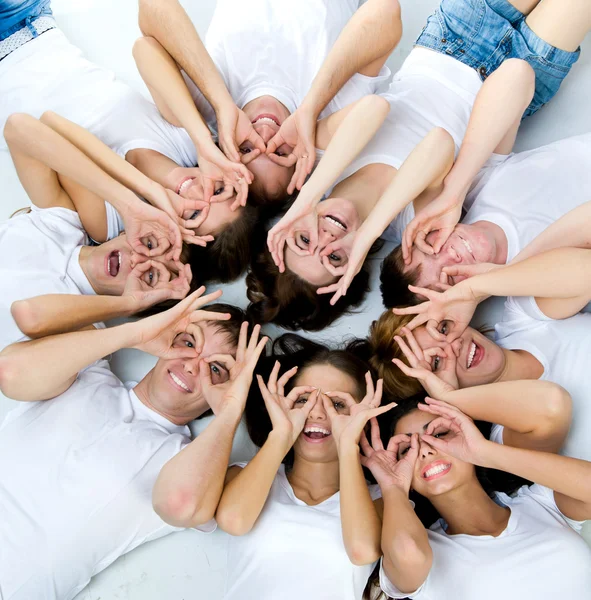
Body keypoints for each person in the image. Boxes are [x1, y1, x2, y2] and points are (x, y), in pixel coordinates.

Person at [256, 0, 588, 327]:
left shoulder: (324, 164)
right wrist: (368, 232)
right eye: (334, 257)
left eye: (304, 241)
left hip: (456, 36)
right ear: (355, 264)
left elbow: (373, 109)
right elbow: (438, 144)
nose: (325, 238)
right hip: (519, 78)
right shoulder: (412, 228)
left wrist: (305, 200)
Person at [0, 287, 261, 600]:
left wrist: (230, 412)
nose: (192, 364)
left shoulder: (188, 462)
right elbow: (12, 364)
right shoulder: (87, 369)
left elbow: (182, 504)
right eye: (188, 342)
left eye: (216, 369)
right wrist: (133, 329)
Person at [0, 1, 252, 259]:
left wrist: (149, 189)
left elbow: (52, 123)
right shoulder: (185, 144)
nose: (199, 190)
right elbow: (145, 49)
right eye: (218, 190)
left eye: (195, 213)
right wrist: (202, 141)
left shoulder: (109, 219)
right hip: (34, 19)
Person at [152, 334, 396, 600]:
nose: (317, 413)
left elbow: (362, 550)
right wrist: (281, 433)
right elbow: (234, 521)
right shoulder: (247, 474)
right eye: (303, 399)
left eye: (338, 404)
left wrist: (349, 444)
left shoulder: (383, 498)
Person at [0, 113, 199, 350]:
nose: (136, 259)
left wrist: (130, 303)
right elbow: (18, 128)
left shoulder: (86, 330)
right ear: (127, 232)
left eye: (150, 276)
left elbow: (30, 316)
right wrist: (129, 205)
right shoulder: (60, 223)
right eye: (148, 244)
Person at [372, 245, 591, 461]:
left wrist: (472, 291)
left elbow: (586, 269)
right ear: (432, 388)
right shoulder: (504, 435)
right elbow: (552, 404)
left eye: (443, 329)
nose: (454, 346)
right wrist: (449, 398)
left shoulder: (522, 319)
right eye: (436, 362)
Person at [371, 397, 591, 599]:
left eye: (439, 435)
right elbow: (409, 553)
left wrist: (484, 452)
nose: (425, 451)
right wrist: (393, 486)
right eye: (408, 449)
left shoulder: (540, 504)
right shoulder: (424, 549)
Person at [381, 132, 591, 306]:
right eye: (450, 277)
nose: (451, 255)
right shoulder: (539, 281)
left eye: (432, 248)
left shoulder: (477, 187)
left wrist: (451, 196)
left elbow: (517, 81)